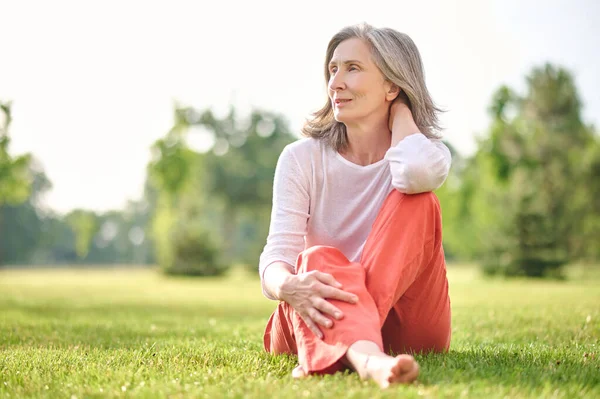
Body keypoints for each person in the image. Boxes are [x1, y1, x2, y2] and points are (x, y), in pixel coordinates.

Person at [259, 23, 452, 389]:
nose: (335, 83)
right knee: (320, 258)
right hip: (313, 306)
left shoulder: (425, 155)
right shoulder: (301, 158)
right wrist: (289, 287)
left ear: (392, 85)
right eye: (333, 70)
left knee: (420, 200)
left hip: (404, 324)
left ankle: (337, 347)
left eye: (352, 68)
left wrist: (401, 115)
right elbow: (275, 259)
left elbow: (414, 172)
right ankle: (369, 360)